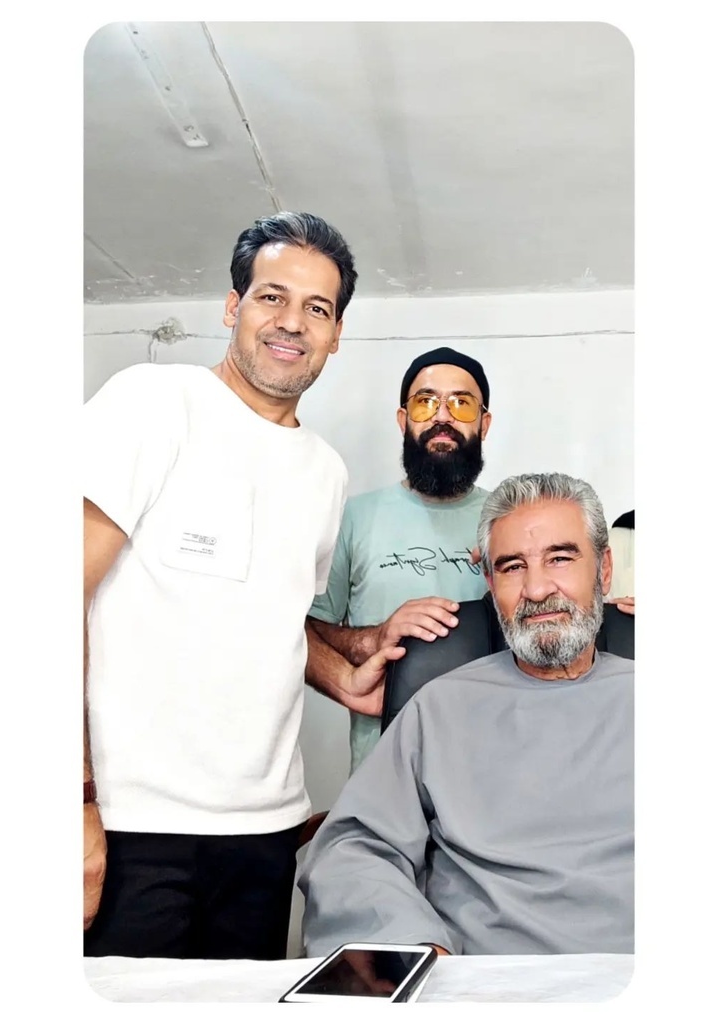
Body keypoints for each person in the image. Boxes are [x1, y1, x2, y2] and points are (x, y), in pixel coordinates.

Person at [82, 211, 405, 960]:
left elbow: (272, 615)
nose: (292, 322)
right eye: (272, 297)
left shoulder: (326, 473)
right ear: (234, 306)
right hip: (133, 828)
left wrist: (345, 674)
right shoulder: (152, 404)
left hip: (264, 834)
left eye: (317, 308)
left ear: (336, 333)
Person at [298, 472, 633, 956]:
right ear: (490, 583)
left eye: (560, 558)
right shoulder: (439, 708)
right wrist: (412, 946)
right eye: (512, 566)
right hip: (477, 976)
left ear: (603, 570)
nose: (537, 588)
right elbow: (352, 848)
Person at [305, 347, 493, 773]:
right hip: (381, 774)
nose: (442, 417)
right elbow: (305, 630)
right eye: (426, 402)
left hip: (491, 768)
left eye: (461, 404)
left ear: (484, 423)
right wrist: (374, 639)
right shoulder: (352, 518)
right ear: (403, 418)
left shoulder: (510, 521)